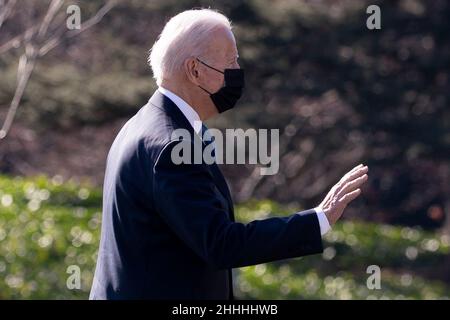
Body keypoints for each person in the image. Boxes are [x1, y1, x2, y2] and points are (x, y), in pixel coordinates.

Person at [89, 8, 368, 300]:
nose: (237, 71)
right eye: (230, 61)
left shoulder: (143, 123)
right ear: (195, 70)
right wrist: (318, 219)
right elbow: (220, 244)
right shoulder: (171, 144)